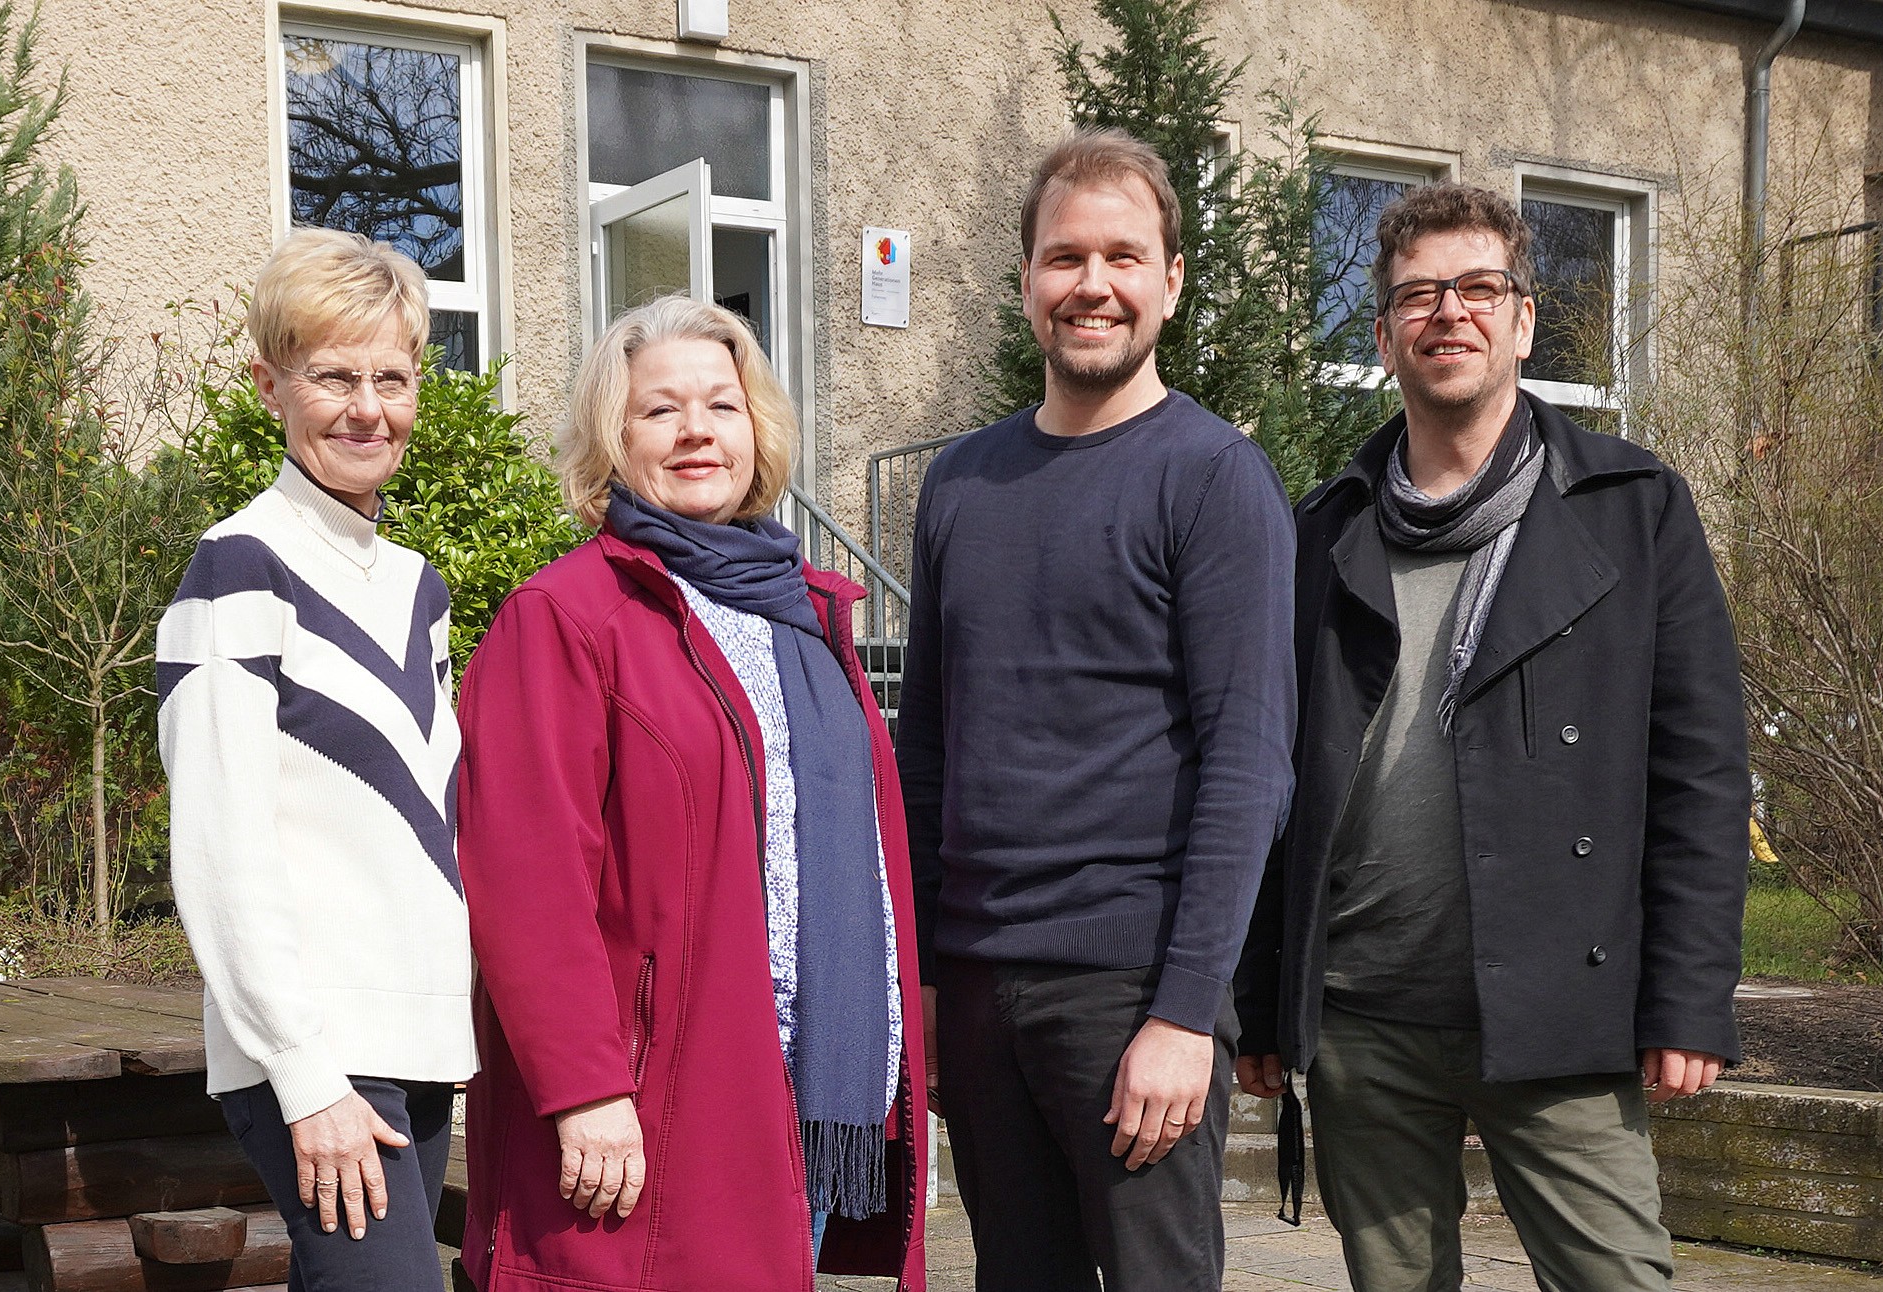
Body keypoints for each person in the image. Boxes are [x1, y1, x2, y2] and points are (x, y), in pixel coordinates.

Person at [1233, 182, 1750, 1291]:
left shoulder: (1632, 503)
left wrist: (1691, 997)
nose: (1448, 313)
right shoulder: (1323, 526)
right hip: (1365, 1014)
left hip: (1558, 1003)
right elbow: (1276, 778)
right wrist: (1263, 994)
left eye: (1479, 287)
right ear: (1382, 336)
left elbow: (1702, 766)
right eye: (1418, 294)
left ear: (1522, 318)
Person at [455, 295, 927, 1292]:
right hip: (655, 1095)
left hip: (798, 1085)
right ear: (613, 437)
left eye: (722, 403)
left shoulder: (806, 615)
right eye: (661, 409)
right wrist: (584, 1087)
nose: (698, 430)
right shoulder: (568, 615)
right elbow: (526, 880)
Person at [896, 128, 1297, 1291]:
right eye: (1065, 256)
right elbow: (927, 744)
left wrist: (1184, 1012)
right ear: (1025, 281)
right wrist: (921, 971)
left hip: (1130, 990)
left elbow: (1247, 760)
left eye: (1124, 256)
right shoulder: (961, 480)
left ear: (1169, 282)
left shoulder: (1214, 477)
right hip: (976, 985)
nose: (1093, 284)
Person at [158, 227, 478, 1292]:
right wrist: (303, 1072)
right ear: (271, 385)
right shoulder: (238, 566)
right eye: (333, 376)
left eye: (391, 377)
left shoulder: (418, 584)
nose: (366, 408)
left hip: (421, 1035)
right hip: (323, 1047)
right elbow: (217, 845)